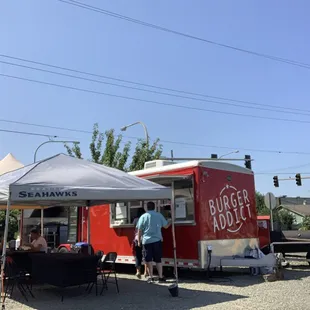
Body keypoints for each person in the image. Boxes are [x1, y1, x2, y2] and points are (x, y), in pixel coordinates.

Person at [137, 201, 171, 283]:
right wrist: (170, 220)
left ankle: (151, 277)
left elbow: (139, 230)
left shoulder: (143, 216)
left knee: (148, 260)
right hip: (157, 240)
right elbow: (166, 226)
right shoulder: (159, 215)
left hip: (146, 241)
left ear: (146, 208)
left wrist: (139, 241)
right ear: (154, 207)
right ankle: (160, 277)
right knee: (158, 260)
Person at [132, 208, 148, 279]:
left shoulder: (135, 220)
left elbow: (134, 227)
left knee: (138, 256)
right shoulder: (145, 219)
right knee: (145, 256)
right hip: (144, 239)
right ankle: (145, 272)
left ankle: (138, 271)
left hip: (137, 239)